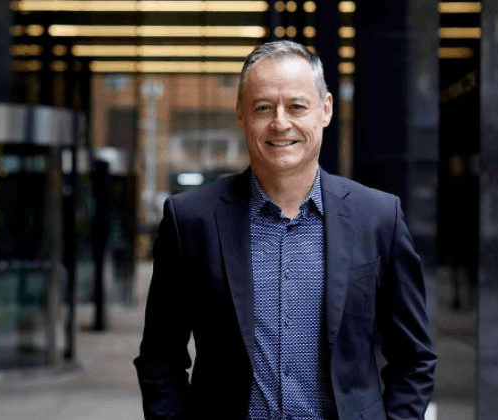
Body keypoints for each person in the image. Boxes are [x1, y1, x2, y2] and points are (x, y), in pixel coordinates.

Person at [134, 40, 436, 420]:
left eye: (296, 106)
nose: (280, 122)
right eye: (263, 107)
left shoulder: (378, 217)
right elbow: (160, 360)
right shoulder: (190, 220)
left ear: (325, 110)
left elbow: (414, 359)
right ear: (241, 115)